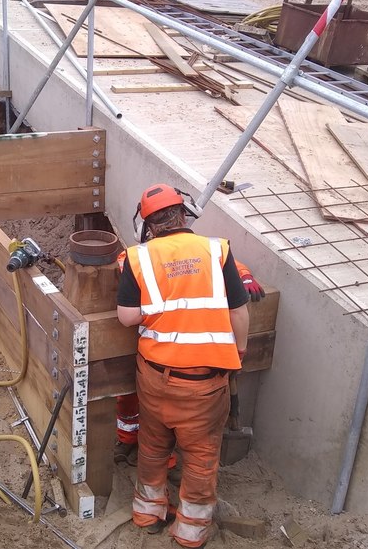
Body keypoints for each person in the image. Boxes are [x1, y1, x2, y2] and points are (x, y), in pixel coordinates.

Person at [116, 183, 250, 548]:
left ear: (148, 225)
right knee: (202, 456)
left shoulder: (137, 258)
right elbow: (238, 310)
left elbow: (127, 317)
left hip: (155, 378)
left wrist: (157, 310)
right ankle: (190, 533)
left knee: (154, 445)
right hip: (205, 385)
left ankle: (146, 513)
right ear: (183, 214)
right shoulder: (215, 251)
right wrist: (240, 350)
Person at [114, 259, 264, 467]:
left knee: (165, 425)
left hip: (174, 353)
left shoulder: (195, 250)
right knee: (136, 403)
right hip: (152, 347)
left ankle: (164, 465)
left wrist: (244, 275)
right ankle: (128, 439)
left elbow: (227, 262)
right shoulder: (135, 257)